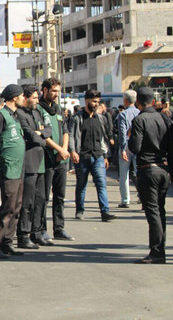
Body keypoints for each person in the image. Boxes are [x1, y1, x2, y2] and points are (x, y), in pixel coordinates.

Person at [128, 87, 173, 264]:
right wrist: (172, 169)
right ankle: (160, 249)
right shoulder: (165, 119)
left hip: (148, 169)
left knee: (153, 212)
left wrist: (130, 137)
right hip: (163, 169)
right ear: (153, 102)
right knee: (160, 211)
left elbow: (135, 147)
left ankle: (157, 252)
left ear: (138, 102)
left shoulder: (139, 120)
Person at [0, 84, 27, 259]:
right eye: (22, 95)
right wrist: (3, 154)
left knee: (16, 207)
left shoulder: (15, 116)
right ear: (14, 97)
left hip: (19, 167)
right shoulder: (0, 115)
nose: (24, 98)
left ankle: (7, 242)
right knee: (7, 206)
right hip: (9, 166)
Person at [69, 90, 116, 222]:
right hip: (82, 157)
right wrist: (72, 151)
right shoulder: (77, 118)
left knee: (101, 184)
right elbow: (72, 135)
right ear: (87, 101)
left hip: (98, 157)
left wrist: (106, 155)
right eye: (94, 101)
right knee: (81, 185)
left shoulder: (100, 119)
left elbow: (103, 139)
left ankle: (105, 212)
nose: (96, 104)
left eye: (97, 101)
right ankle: (80, 210)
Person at [16, 85, 52, 249]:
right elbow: (30, 136)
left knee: (41, 200)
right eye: (35, 98)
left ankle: (36, 233)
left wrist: (41, 134)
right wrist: (40, 134)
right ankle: (23, 235)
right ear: (26, 97)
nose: (37, 100)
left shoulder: (37, 112)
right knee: (27, 202)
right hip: (29, 164)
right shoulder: (20, 114)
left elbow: (49, 130)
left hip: (41, 163)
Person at [37, 78, 73, 241]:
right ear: (44, 90)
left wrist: (64, 150)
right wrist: (58, 149)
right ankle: (41, 229)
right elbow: (43, 134)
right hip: (47, 159)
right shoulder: (38, 109)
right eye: (53, 91)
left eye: (58, 91)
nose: (56, 94)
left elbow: (65, 130)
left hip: (61, 160)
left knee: (59, 196)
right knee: (43, 196)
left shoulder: (58, 109)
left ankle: (59, 228)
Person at [116, 89, 139, 208]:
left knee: (124, 174)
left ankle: (125, 199)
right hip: (138, 146)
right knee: (139, 172)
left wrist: (122, 148)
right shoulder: (140, 112)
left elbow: (122, 132)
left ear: (125, 100)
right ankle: (142, 195)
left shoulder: (123, 115)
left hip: (127, 146)